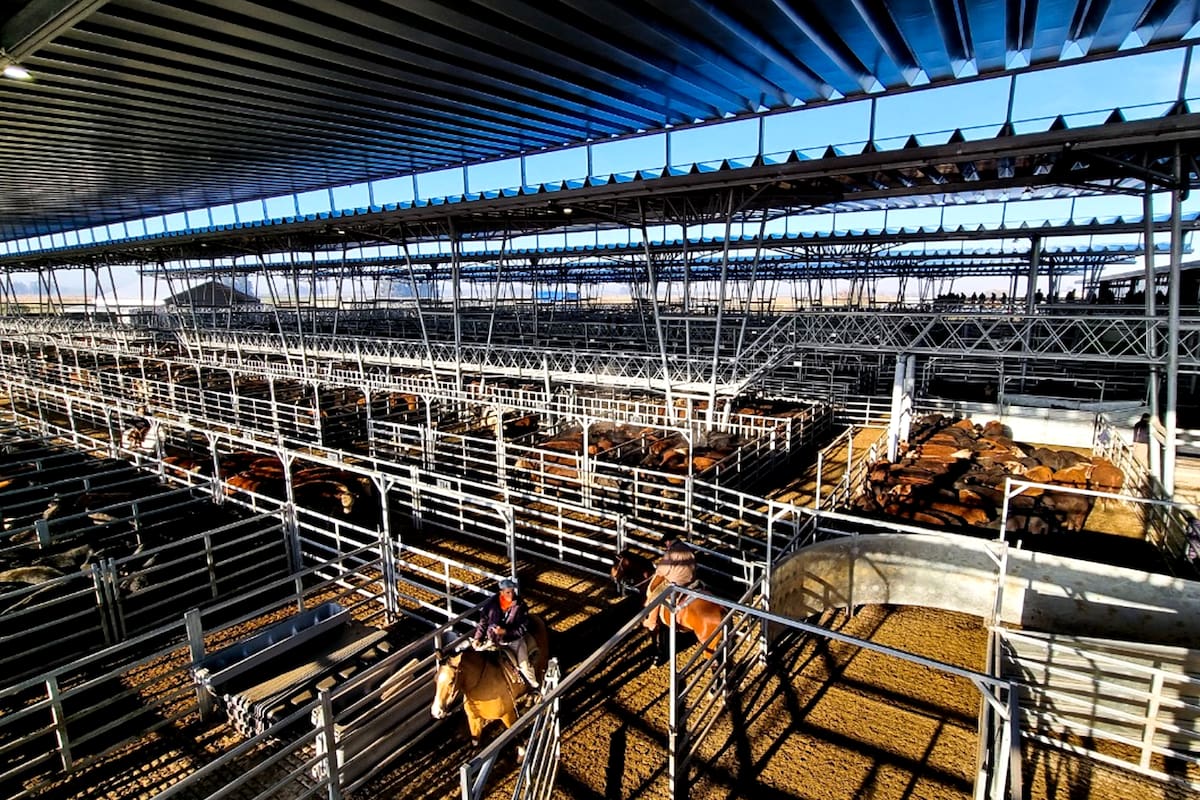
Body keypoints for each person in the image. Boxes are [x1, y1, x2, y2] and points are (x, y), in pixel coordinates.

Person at [472, 578, 538, 690]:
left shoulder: (520, 606)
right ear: (501, 592)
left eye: (512, 591)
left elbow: (522, 628)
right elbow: (483, 622)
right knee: (475, 656)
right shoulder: (491, 605)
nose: (511, 594)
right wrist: (477, 638)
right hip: (493, 640)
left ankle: (534, 687)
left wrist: (506, 632)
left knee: (524, 666)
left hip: (513, 641)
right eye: (508, 592)